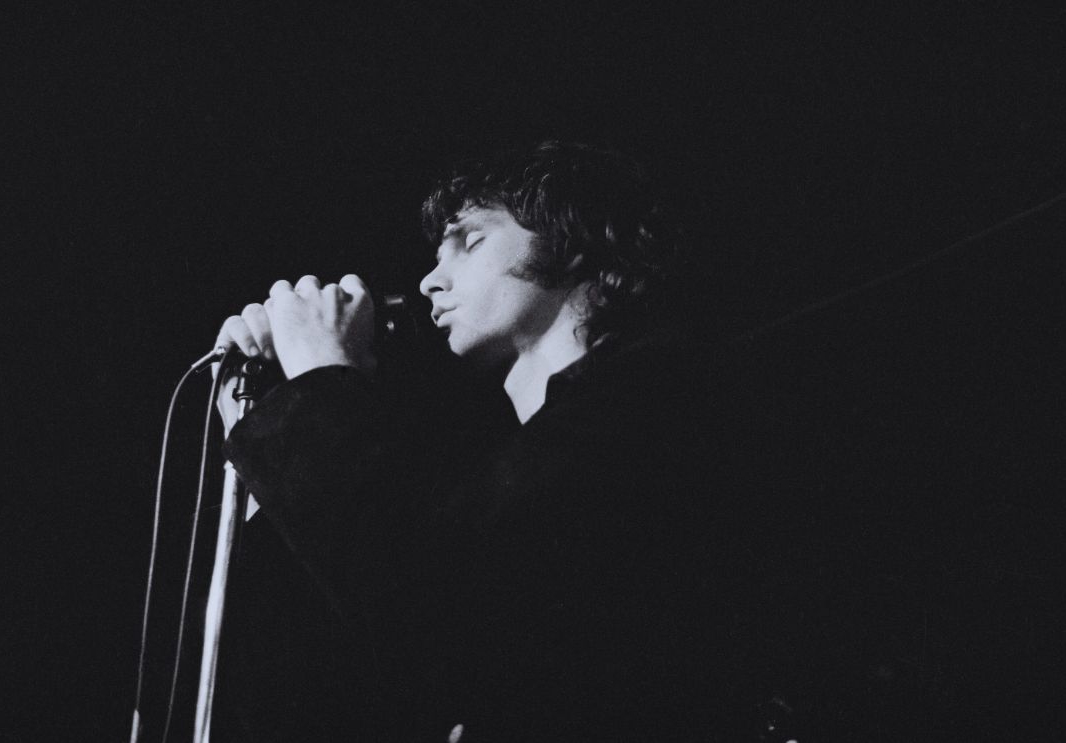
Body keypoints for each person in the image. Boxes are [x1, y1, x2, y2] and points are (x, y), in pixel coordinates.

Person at [208, 141, 824, 741]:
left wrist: (320, 381)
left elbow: (437, 593)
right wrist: (274, 408)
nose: (429, 281)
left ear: (574, 241)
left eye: (469, 240)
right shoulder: (505, 463)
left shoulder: (663, 397)